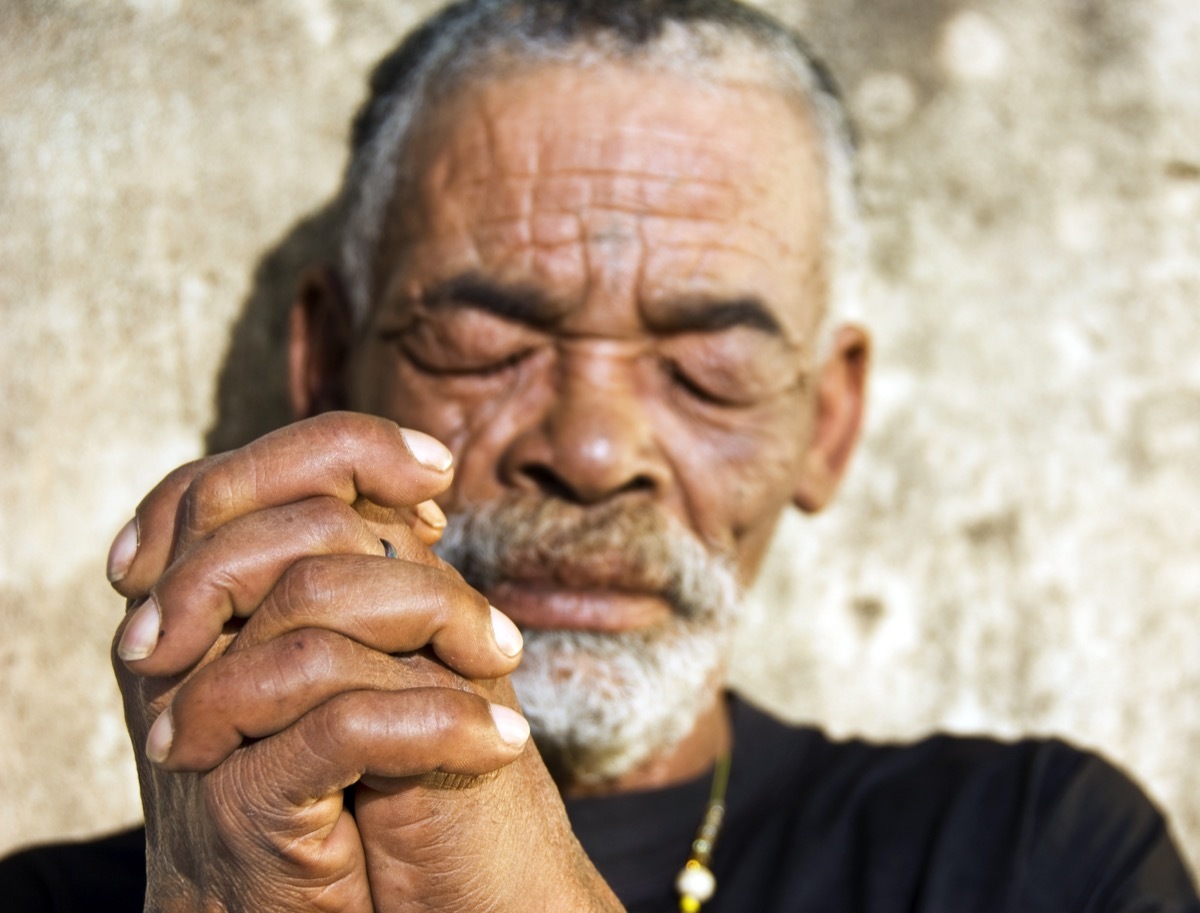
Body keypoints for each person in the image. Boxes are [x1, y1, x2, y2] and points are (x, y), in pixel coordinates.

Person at [2, 1, 1197, 911]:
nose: (589, 448)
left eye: (706, 370)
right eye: (481, 348)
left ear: (825, 423)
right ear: (324, 368)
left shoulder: (1031, 857)